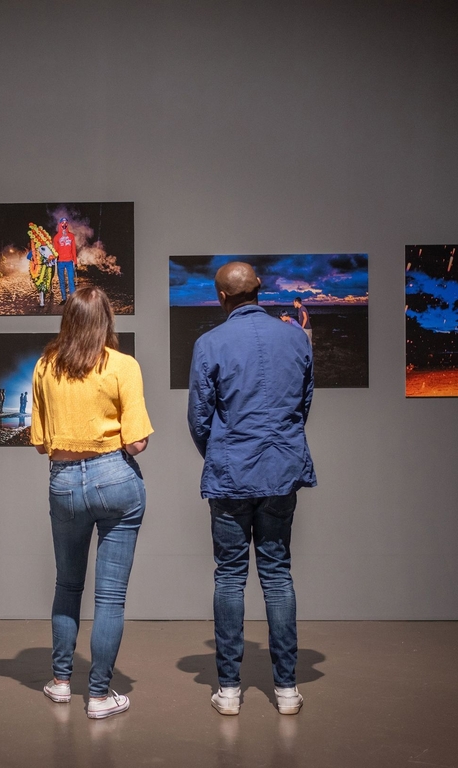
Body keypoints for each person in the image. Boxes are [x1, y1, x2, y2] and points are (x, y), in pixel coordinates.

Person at [188, 262, 316, 717]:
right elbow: (302, 406)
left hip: (230, 474)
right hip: (281, 471)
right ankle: (286, 689)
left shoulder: (209, 344)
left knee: (229, 576)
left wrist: (224, 453)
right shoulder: (295, 338)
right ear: (260, 290)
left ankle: (228, 690)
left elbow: (199, 419)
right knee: (278, 574)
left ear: (221, 297)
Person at [31, 285, 153, 720]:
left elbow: (42, 444)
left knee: (67, 586)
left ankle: (61, 682)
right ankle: (99, 696)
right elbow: (137, 442)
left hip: (64, 482)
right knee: (110, 598)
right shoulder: (122, 365)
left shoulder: (45, 366)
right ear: (106, 321)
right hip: (115, 479)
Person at [27, 223, 57, 308]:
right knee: (40, 282)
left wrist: (51, 257)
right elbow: (33, 250)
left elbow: (51, 252)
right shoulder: (35, 243)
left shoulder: (48, 243)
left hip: (48, 262)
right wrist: (35, 259)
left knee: (49, 277)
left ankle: (50, 287)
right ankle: (42, 300)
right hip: (39, 262)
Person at [53, 217, 78, 305]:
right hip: (60, 262)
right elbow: (55, 250)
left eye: (66, 223)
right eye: (62, 223)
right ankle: (64, 298)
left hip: (69, 262)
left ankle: (72, 299)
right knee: (62, 280)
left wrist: (75, 261)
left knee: (71, 280)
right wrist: (51, 257)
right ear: (59, 224)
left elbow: (74, 249)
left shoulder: (71, 236)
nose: (64, 224)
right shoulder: (56, 237)